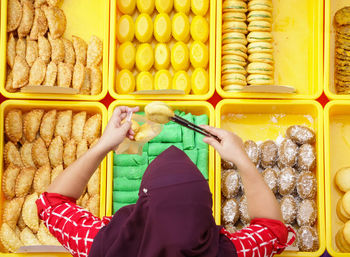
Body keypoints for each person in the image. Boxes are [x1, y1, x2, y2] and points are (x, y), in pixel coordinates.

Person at [36, 106, 295, 257]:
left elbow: (51, 205)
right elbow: (272, 230)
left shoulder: (104, 245)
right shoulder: (227, 252)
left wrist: (103, 145)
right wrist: (242, 160)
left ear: (141, 207)